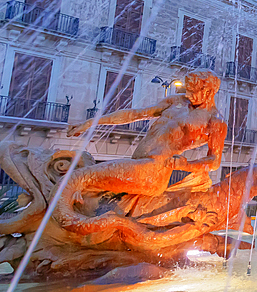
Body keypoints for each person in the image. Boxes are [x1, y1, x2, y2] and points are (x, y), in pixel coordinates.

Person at [61, 70, 227, 232]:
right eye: (187, 88)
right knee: (80, 181)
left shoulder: (214, 121)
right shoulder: (176, 102)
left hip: (153, 169)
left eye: (193, 91)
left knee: (79, 177)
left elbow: (214, 161)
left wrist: (186, 165)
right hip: (137, 163)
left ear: (208, 91)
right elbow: (135, 114)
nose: (188, 94)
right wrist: (92, 122)